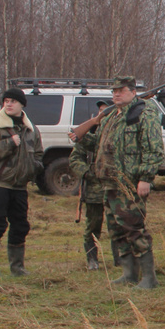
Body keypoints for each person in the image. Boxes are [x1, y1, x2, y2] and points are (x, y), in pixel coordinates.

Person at [93, 75, 164, 288]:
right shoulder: (112, 116)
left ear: (133, 92)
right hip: (111, 183)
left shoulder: (144, 113)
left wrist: (146, 178)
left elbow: (154, 149)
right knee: (116, 229)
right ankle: (129, 274)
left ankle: (149, 278)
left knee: (134, 227)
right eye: (114, 91)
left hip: (129, 183)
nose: (116, 94)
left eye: (121, 90)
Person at [0, 87, 43, 276]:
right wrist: (8, 143)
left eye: (13, 101)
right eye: (6, 101)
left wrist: (34, 167)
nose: (9, 104)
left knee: (20, 226)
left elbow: (38, 154)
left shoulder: (31, 130)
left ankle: (17, 267)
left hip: (20, 186)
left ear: (22, 105)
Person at [69, 100, 115, 270]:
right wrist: (88, 173)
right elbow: (74, 159)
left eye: (106, 112)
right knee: (93, 225)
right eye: (101, 112)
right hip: (94, 189)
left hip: (114, 188)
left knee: (116, 225)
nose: (103, 115)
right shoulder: (88, 134)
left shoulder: (117, 133)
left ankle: (119, 260)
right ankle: (92, 260)